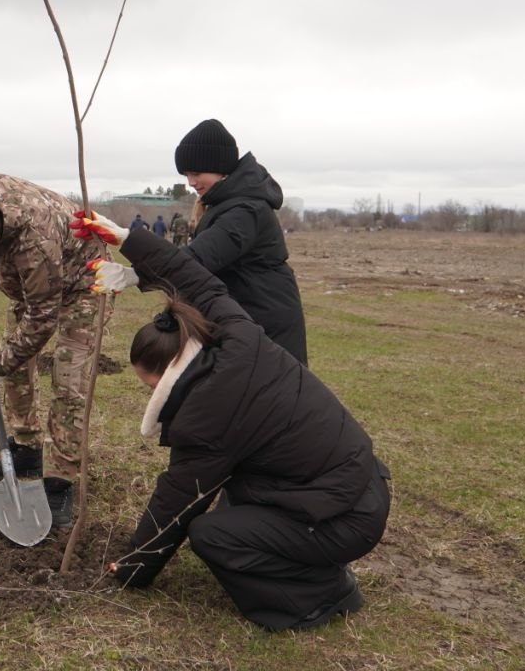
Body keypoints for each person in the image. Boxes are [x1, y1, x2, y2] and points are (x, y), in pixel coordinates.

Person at [69, 213, 391, 632]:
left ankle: (316, 596)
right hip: (360, 486)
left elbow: (178, 502)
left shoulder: (206, 417)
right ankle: (312, 563)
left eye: (149, 385)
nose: (149, 395)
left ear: (168, 372)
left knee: (213, 533)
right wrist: (128, 238)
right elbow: (197, 280)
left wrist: (132, 567)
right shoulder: (239, 334)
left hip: (345, 520)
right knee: (237, 499)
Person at [0, 171, 110, 528]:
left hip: (83, 284)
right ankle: (28, 448)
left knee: (69, 379)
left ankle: (61, 477)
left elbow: (42, 318)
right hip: (30, 289)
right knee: (16, 366)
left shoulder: (35, 236)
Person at [174, 119, 309, 363]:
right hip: (248, 319)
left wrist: (135, 263)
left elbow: (198, 259)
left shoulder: (245, 210)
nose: (191, 182)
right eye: (186, 175)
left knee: (270, 396)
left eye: (196, 173)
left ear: (219, 167)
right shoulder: (225, 204)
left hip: (266, 323)